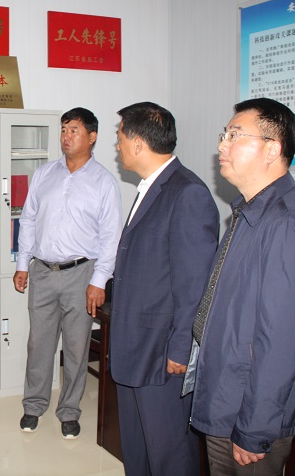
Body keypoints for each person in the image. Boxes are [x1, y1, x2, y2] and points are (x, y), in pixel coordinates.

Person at [182, 98, 295, 475]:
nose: (222, 145)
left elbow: (282, 341)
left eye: (234, 135)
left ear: (272, 149)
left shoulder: (287, 223)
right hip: (226, 393)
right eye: (224, 135)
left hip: (248, 412)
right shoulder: (251, 211)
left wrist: (254, 429)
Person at [110, 102, 219, 475]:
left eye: (120, 137)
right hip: (134, 344)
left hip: (161, 353)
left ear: (139, 142)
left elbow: (195, 283)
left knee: (169, 453)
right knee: (138, 449)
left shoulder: (187, 192)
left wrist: (181, 348)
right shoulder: (150, 187)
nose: (117, 145)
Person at [14, 107, 122, 439]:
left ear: (92, 137)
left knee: (76, 347)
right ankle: (34, 405)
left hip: (81, 273)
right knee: (39, 344)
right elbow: (28, 219)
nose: (66, 136)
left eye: (74, 130)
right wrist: (22, 264)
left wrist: (98, 281)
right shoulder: (44, 174)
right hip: (42, 271)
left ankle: (70, 411)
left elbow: (111, 237)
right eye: (63, 129)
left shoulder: (104, 182)